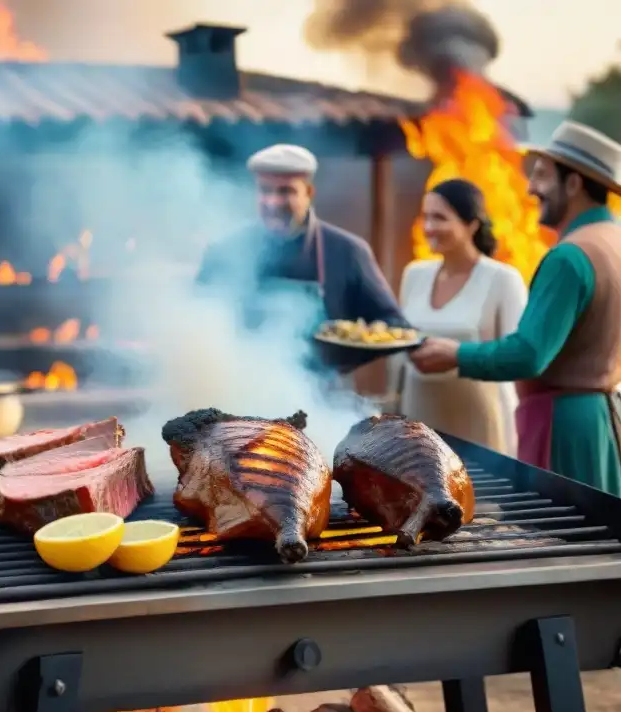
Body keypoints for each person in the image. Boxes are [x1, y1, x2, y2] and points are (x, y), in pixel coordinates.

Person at [411, 121, 621, 494]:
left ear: (573, 183)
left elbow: (528, 354)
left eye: (541, 176)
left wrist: (457, 354)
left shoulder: (569, 257)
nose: (530, 188)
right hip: (603, 417)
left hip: (562, 426)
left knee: (558, 541)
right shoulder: (614, 240)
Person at [196, 143, 407, 336]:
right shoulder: (225, 251)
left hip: (322, 377)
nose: (273, 202)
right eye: (265, 190)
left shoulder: (347, 251)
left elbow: (394, 324)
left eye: (286, 191)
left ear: (309, 192)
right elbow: (194, 316)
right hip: (241, 377)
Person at [398, 179, 528, 455]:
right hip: (422, 420)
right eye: (426, 217)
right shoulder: (414, 275)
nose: (429, 227)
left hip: (480, 423)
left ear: (472, 224)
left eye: (440, 218)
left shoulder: (503, 279)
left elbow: (516, 356)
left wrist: (458, 354)